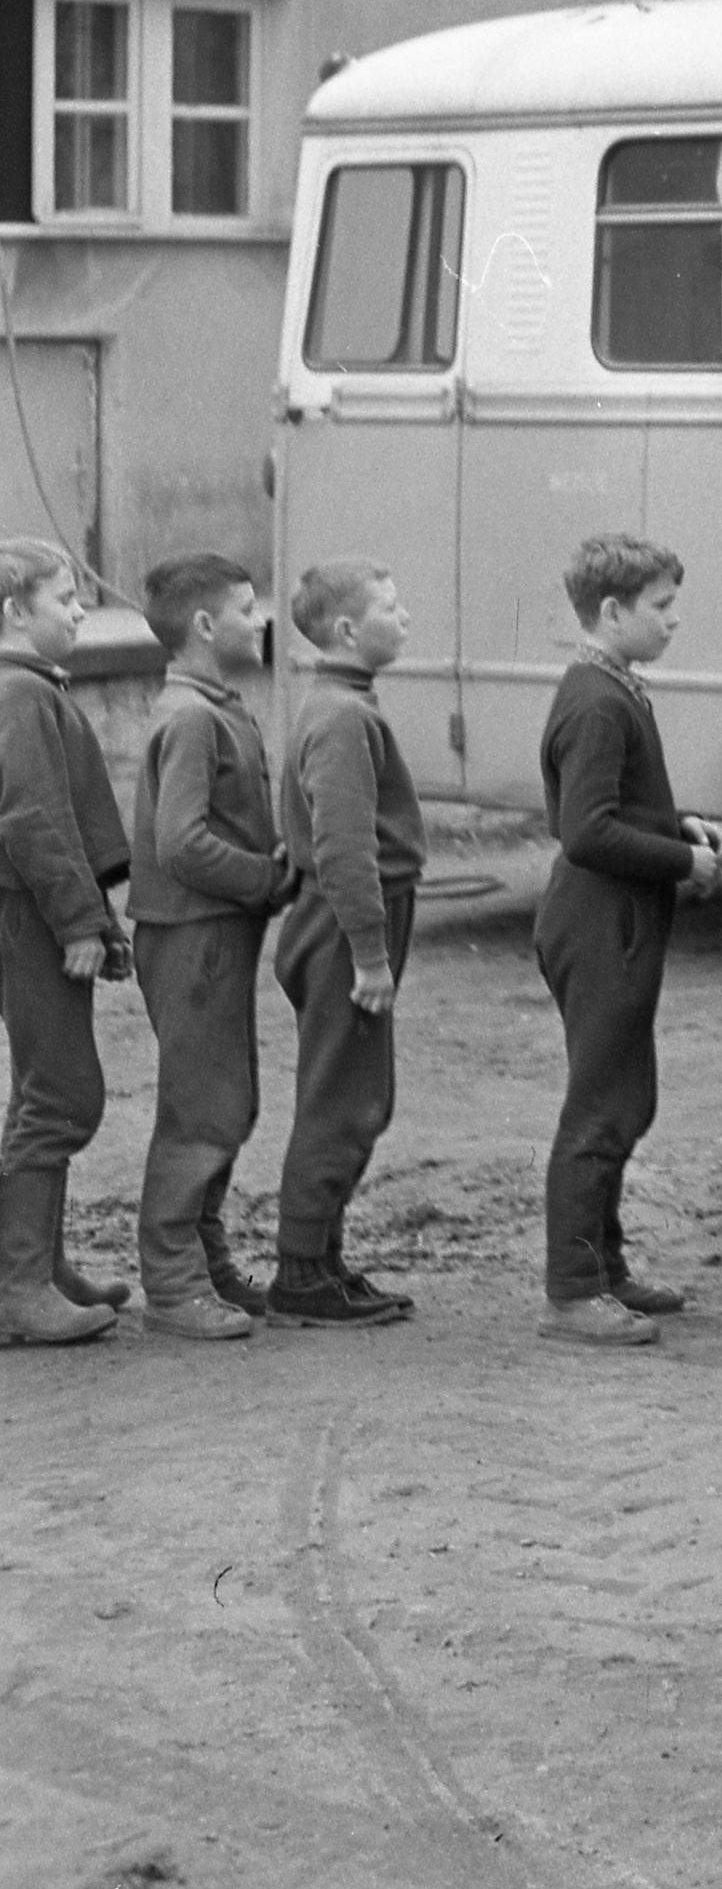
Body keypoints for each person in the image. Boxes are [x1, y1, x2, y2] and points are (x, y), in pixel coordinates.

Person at [532, 533, 722, 1348]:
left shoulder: (613, 686)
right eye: (661, 606)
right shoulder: (597, 699)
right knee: (601, 1106)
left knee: (625, 1096)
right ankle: (574, 1290)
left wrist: (676, 822)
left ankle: (605, 1267)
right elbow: (584, 829)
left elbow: (613, 805)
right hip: (600, 919)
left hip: (620, 918)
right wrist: (684, 858)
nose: (674, 621)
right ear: (611, 612)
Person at [129, 551, 296, 1340]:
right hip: (195, 935)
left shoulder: (214, 704)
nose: (259, 618)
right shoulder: (192, 715)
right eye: (244, 606)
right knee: (201, 1109)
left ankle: (206, 1259)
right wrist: (264, 877)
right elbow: (181, 843)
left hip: (215, 934)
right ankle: (170, 1282)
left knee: (227, 1101)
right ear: (203, 625)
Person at [271, 554, 427, 1323]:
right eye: (390, 606)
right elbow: (341, 846)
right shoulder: (341, 715)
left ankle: (321, 1259)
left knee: (356, 1093)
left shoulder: (345, 703)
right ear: (345, 628)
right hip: (344, 926)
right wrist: (369, 953)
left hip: (350, 919)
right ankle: (301, 1270)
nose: (403, 618)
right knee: (344, 1099)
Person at [0, 541, 131, 1346]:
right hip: (32, 915)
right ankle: (20, 1287)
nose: (81, 610)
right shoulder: (19, 694)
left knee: (40, 1089)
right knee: (64, 1095)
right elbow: (30, 817)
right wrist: (81, 922)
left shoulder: (26, 688)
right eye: (63, 598)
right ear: (15, 612)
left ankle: (38, 1268)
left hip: (31, 910)